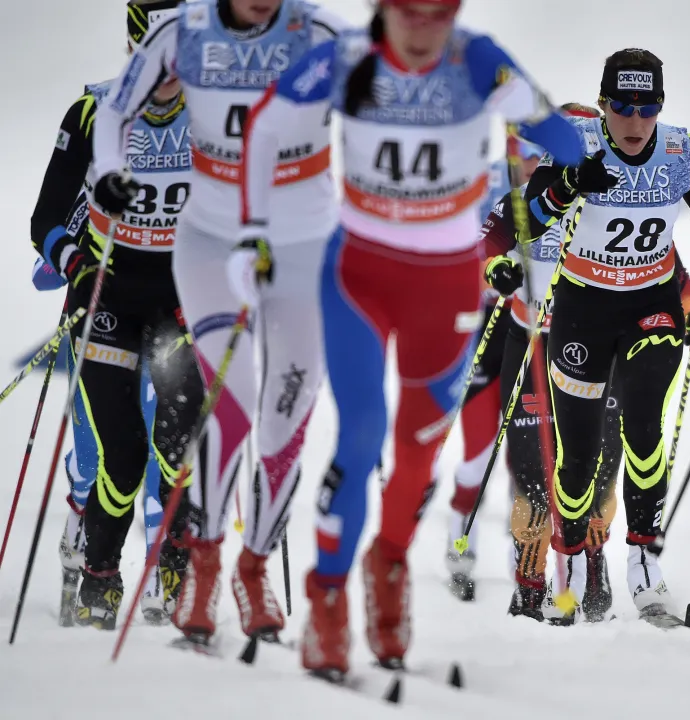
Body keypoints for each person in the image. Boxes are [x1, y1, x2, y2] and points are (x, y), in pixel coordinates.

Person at [240, 0, 583, 676]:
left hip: (448, 285)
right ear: (382, 10)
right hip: (359, 276)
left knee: (420, 450)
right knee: (362, 433)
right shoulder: (347, 57)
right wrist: (252, 229)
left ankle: (388, 563)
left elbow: (567, 144)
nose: (424, 25)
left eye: (439, 11)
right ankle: (329, 599)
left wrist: (526, 109)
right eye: (409, 11)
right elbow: (265, 124)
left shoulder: (477, 57)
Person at [91, 0, 349, 644]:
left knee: (286, 419)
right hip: (212, 243)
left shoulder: (319, 33)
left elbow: (381, 118)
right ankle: (204, 562)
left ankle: (254, 565)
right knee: (226, 410)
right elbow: (117, 108)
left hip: (301, 247)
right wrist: (109, 171)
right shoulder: (181, 31)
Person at [521, 49, 690, 620]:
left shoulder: (680, 150)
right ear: (603, 105)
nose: (636, 122)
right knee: (580, 455)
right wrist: (569, 184)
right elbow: (530, 217)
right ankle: (567, 571)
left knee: (645, 427)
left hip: (652, 302)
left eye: (648, 108)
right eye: (623, 107)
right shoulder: (575, 140)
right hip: (583, 307)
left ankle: (645, 565)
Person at [485, 100, 690, 624]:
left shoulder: (614, 199)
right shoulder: (527, 201)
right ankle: (532, 576)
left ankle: (591, 559)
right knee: (535, 473)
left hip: (597, 346)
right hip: (532, 343)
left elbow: (668, 272)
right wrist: (495, 271)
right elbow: (482, 248)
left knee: (598, 468)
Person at [30, 0, 203, 630]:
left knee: (181, 446)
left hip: (178, 302)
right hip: (108, 301)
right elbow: (45, 218)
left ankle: (177, 570)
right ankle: (100, 575)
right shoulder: (93, 113)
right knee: (123, 456)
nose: (170, 82)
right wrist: (74, 262)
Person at [443, 132, 546, 602]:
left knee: (530, 445)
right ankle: (460, 545)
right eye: (528, 158)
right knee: (481, 448)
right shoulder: (481, 186)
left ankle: (523, 541)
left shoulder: (558, 191)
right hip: (482, 322)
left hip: (532, 325)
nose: (536, 167)